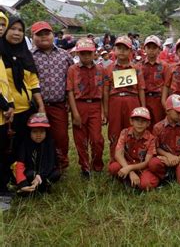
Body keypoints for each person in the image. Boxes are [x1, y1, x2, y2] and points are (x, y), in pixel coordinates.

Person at [1, 17, 45, 171]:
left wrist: (40, 105)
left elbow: (33, 83)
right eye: (13, 28)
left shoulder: (26, 55)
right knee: (5, 148)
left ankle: (20, 175)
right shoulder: (0, 54)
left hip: (26, 111)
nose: (17, 33)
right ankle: (4, 182)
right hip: (5, 113)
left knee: (22, 145)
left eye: (20, 30)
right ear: (5, 30)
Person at [31, 21, 72, 170]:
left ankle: (61, 165)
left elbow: (72, 79)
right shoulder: (29, 56)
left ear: (53, 34)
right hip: (36, 106)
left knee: (61, 137)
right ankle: (40, 165)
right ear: (32, 37)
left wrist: (70, 101)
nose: (43, 37)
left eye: (46, 33)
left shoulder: (65, 55)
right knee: (38, 136)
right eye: (39, 34)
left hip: (58, 105)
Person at [67, 38, 107, 178]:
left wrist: (103, 111)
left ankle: (97, 164)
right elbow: (70, 91)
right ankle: (84, 167)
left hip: (95, 105)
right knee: (80, 139)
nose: (86, 56)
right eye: (82, 53)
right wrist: (75, 113)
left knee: (97, 139)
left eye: (89, 53)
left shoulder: (100, 70)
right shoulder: (72, 70)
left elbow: (103, 92)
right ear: (78, 54)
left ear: (94, 53)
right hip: (79, 105)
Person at [103, 36, 146, 160]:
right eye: (119, 48)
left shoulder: (136, 68)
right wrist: (105, 110)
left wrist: (143, 107)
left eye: (125, 49)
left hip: (132, 100)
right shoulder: (108, 69)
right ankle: (115, 160)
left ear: (130, 51)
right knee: (114, 131)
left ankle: (132, 158)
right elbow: (105, 91)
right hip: (115, 101)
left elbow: (141, 88)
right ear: (114, 50)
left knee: (132, 130)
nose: (122, 51)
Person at [148, 94, 180, 186]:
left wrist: (178, 159)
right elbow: (156, 147)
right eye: (178, 112)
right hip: (165, 159)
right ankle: (166, 175)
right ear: (167, 111)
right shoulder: (158, 127)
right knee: (153, 164)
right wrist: (167, 155)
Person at [108, 107, 159, 191]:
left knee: (146, 184)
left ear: (148, 123)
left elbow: (146, 162)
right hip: (126, 163)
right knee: (113, 167)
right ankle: (128, 179)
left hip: (142, 167)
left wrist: (130, 169)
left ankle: (142, 179)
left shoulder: (151, 138)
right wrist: (130, 171)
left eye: (143, 121)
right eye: (137, 120)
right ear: (131, 121)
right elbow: (118, 154)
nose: (140, 123)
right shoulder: (125, 132)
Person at [15, 113, 61, 196]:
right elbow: (19, 164)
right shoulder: (25, 143)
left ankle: (42, 187)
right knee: (29, 174)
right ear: (30, 132)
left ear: (46, 132)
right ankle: (30, 188)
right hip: (31, 172)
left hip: (44, 173)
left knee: (56, 173)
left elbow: (50, 163)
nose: (38, 135)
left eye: (42, 131)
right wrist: (22, 184)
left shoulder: (49, 143)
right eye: (35, 132)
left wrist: (40, 176)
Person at [0, 12, 15, 207]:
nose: (0, 27)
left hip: (3, 116)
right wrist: (5, 104)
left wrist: (9, 104)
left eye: (3, 24)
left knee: (2, 152)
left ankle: (3, 189)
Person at [139, 36, 168, 126]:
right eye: (149, 48)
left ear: (159, 49)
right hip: (144, 98)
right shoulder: (139, 66)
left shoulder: (165, 66)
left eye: (154, 48)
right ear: (144, 49)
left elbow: (167, 85)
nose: (151, 50)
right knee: (145, 124)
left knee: (159, 125)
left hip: (159, 100)